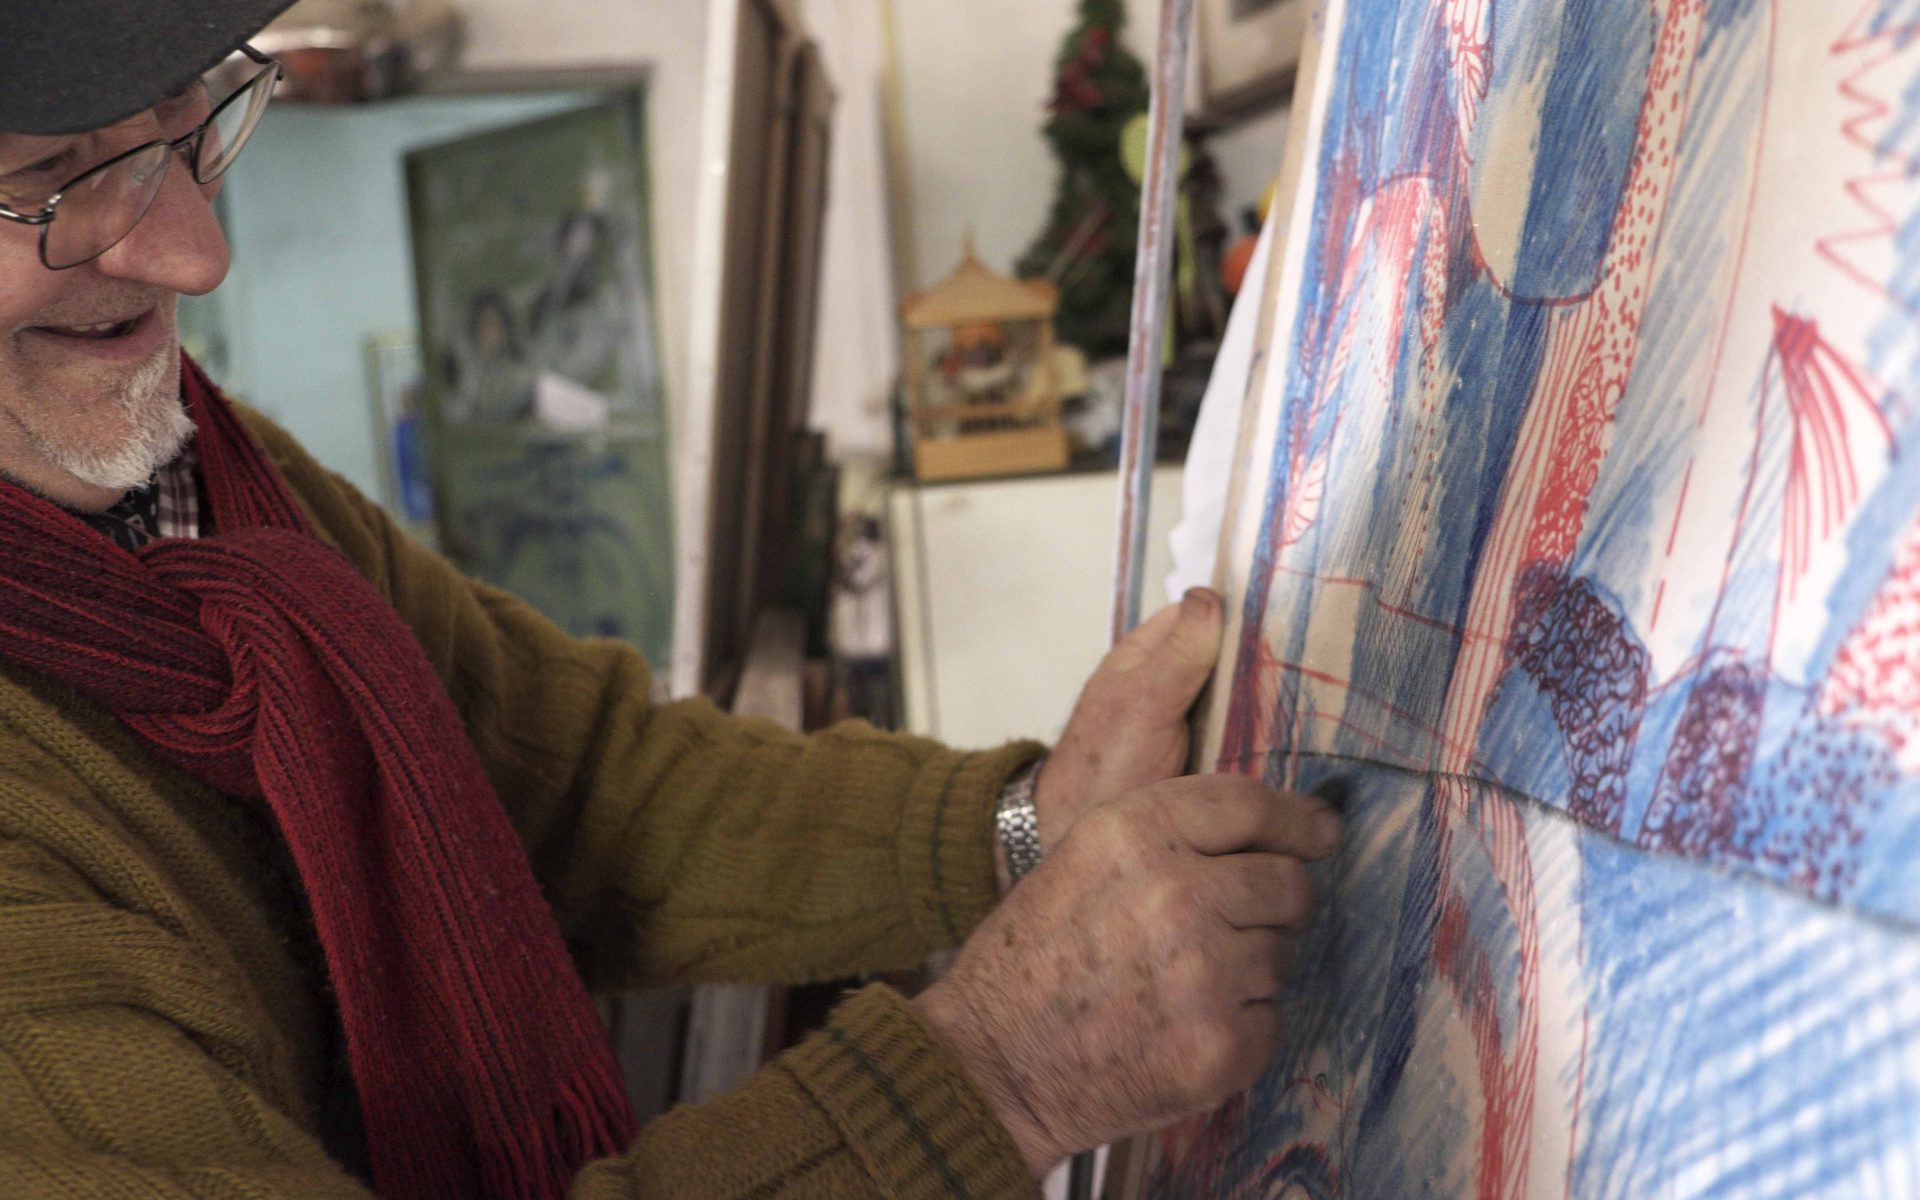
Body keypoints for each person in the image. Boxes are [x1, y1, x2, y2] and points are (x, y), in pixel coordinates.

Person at [0, 4, 1341, 1198]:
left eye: (184, 129)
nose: (196, 254)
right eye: (59, 176)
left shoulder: (217, 489)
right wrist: (1003, 1078)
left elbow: (582, 784)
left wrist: (1025, 818)